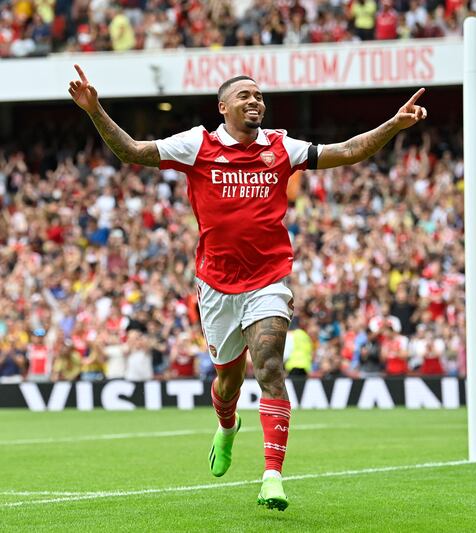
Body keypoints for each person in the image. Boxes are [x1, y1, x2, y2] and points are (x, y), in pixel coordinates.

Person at [68, 64, 427, 510]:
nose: (256, 100)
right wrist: (94, 109)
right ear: (223, 107)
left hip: (268, 279)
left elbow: (348, 150)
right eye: (245, 96)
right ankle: (226, 425)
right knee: (227, 382)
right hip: (216, 284)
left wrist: (394, 123)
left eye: (259, 96)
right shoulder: (197, 143)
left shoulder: (281, 147)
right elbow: (132, 151)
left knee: (271, 366)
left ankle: (272, 476)